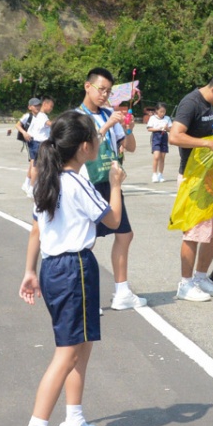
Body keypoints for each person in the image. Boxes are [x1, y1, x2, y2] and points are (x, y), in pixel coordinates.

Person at [14, 112, 124, 426]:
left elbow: (36, 229)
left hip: (53, 266)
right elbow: (113, 220)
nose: (98, 142)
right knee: (67, 352)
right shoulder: (77, 182)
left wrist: (30, 271)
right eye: (95, 138)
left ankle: (74, 421)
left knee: (81, 344)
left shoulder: (48, 179)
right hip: (74, 267)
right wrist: (116, 184)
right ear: (83, 147)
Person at [168, 69, 213, 301]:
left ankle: (201, 278)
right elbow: (174, 136)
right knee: (193, 232)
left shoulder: (210, 105)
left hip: (212, 178)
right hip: (193, 179)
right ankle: (185, 284)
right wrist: (207, 144)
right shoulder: (191, 103)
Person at [80, 68, 144, 311]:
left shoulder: (110, 113)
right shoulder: (78, 116)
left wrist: (128, 129)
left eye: (108, 91)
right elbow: (82, 147)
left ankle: (122, 292)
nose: (104, 95)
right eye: (101, 89)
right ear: (88, 86)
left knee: (124, 234)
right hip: (89, 182)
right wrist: (106, 126)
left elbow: (130, 147)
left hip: (111, 181)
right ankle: (86, 298)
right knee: (87, 240)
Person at [19, 95, 54, 197]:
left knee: (34, 165)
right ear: (45, 104)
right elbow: (50, 124)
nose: (51, 109)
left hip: (36, 143)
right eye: (51, 106)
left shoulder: (39, 115)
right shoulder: (42, 116)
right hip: (38, 143)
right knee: (36, 167)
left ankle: (29, 185)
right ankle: (32, 188)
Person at [145, 102, 173, 183]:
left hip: (164, 136)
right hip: (156, 137)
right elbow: (149, 129)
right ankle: (154, 174)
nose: (162, 113)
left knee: (162, 157)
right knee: (156, 156)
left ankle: (160, 174)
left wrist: (167, 128)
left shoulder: (167, 118)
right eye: (161, 111)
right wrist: (158, 128)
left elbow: (171, 130)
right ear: (157, 111)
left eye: (164, 111)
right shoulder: (153, 118)